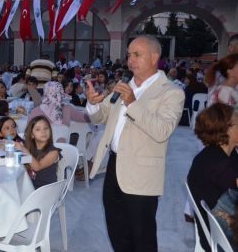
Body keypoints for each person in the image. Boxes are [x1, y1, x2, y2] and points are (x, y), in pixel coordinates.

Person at [85, 35, 185, 251]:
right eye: (129, 54)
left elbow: (162, 131)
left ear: (154, 57)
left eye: (137, 54)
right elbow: (102, 116)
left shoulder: (171, 92)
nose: (131, 60)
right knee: (117, 231)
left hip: (141, 173)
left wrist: (132, 103)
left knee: (142, 237)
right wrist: (93, 104)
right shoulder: (124, 86)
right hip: (114, 166)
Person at [187, 103, 238, 250]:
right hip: (223, 238)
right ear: (226, 129)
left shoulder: (223, 153)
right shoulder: (218, 164)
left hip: (220, 228)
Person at [18, 115, 61, 189]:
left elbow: (37, 167)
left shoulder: (54, 152)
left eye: (46, 128)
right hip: (31, 187)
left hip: (45, 191)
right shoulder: (30, 149)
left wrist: (24, 150)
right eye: (38, 129)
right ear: (32, 135)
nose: (43, 131)